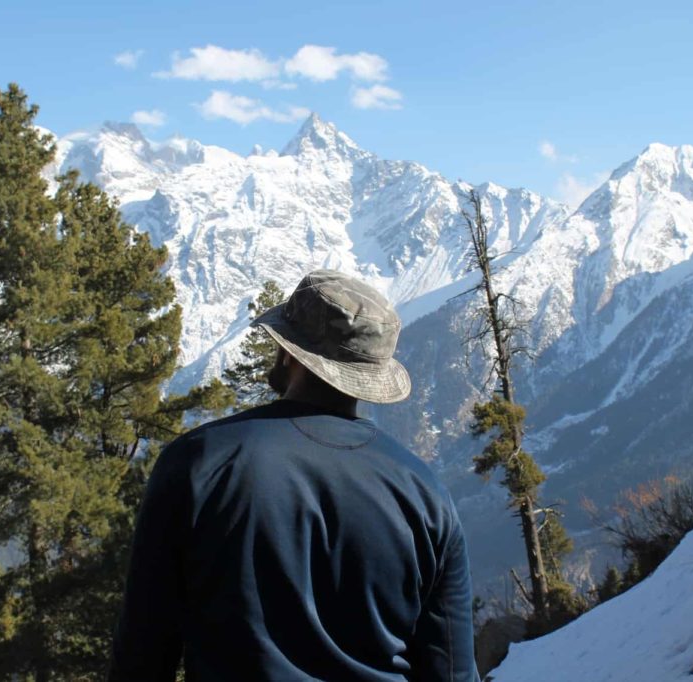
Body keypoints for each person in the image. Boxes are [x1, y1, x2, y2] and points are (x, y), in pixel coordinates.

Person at [109, 269, 479, 681]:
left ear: (289, 352)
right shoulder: (426, 494)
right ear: (370, 377)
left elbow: (142, 654)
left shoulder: (198, 463)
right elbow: (452, 671)